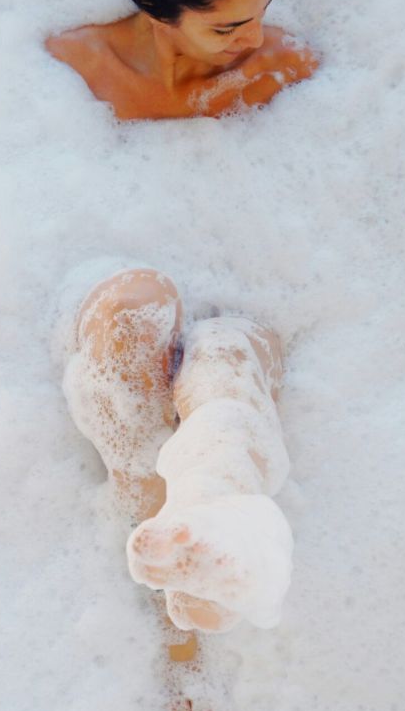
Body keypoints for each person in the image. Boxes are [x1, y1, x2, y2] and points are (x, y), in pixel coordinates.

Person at [62, 267, 294, 665]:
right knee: (140, 313)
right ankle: (207, 524)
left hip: (249, 300)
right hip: (243, 293)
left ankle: (206, 522)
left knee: (216, 354)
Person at [45, 0, 318, 119]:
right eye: (226, 30)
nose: (256, 40)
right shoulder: (67, 71)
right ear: (153, 9)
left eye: (265, 6)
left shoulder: (286, 68)